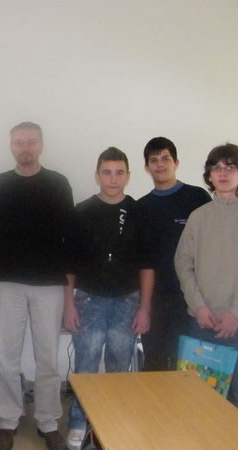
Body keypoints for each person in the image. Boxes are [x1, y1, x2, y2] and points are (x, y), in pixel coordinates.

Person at [0, 122, 73, 450]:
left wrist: (68, 283)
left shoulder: (58, 183)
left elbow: (68, 235)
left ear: (41, 144)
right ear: (11, 146)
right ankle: (7, 421)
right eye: (19, 142)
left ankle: (48, 421)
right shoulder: (0, 183)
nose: (25, 148)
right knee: (7, 355)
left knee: (47, 356)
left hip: (49, 281)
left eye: (31, 142)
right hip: (9, 279)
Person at [63, 147, 154, 448]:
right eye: (107, 172)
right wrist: (68, 304)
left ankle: (111, 423)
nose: (113, 179)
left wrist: (145, 308)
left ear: (128, 176)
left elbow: (147, 265)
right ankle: (79, 422)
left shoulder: (139, 212)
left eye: (119, 173)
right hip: (89, 299)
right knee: (86, 364)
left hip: (127, 301)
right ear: (97, 175)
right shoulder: (82, 211)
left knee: (119, 365)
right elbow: (69, 264)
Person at [175, 143, 238, 415]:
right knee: (197, 396)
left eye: (230, 167)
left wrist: (236, 313)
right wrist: (198, 307)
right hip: (201, 321)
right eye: (216, 167)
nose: (223, 172)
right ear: (209, 175)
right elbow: (183, 264)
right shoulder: (198, 217)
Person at [137, 137, 211, 371]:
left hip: (191, 299)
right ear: (147, 166)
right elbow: (143, 260)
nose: (160, 164)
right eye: (154, 160)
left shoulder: (197, 198)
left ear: (176, 162)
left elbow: (211, 247)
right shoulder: (141, 207)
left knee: (189, 369)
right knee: (155, 366)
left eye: (165, 158)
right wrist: (144, 307)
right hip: (156, 300)